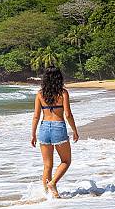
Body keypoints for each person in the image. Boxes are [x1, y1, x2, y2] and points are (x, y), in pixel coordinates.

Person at [30, 67, 79, 198]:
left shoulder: (40, 94)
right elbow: (68, 114)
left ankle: (47, 196)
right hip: (58, 127)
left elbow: (36, 116)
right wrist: (74, 130)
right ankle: (53, 183)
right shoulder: (63, 93)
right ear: (59, 78)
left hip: (44, 127)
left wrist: (33, 134)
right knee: (66, 161)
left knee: (47, 165)